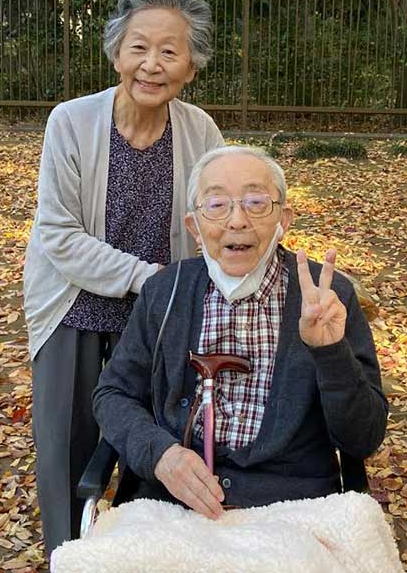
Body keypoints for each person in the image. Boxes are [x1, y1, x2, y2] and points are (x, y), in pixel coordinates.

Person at [23, 0, 224, 557]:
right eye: (139, 47)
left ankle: (145, 552)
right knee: (67, 444)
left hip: (159, 315)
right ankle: (68, 555)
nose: (151, 64)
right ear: (116, 51)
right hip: (74, 303)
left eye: (170, 50)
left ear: (191, 64)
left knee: (158, 441)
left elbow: (216, 218)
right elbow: (58, 235)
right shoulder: (71, 121)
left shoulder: (201, 130)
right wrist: (148, 278)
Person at [92, 146, 387, 518]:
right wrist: (161, 455)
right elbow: (113, 394)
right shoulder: (165, 292)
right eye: (216, 205)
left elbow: (363, 438)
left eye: (256, 202)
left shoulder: (328, 296)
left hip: (295, 511)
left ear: (284, 219)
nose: (237, 220)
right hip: (172, 506)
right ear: (194, 227)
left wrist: (330, 354)